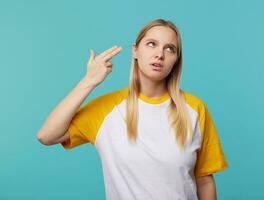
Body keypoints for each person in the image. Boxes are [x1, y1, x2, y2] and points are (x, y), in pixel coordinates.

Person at [37, 18, 229, 200]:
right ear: (135, 51)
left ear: (176, 59)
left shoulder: (195, 109)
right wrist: (89, 82)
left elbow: (204, 181)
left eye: (169, 49)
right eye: (152, 44)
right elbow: (47, 135)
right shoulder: (106, 109)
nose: (159, 54)